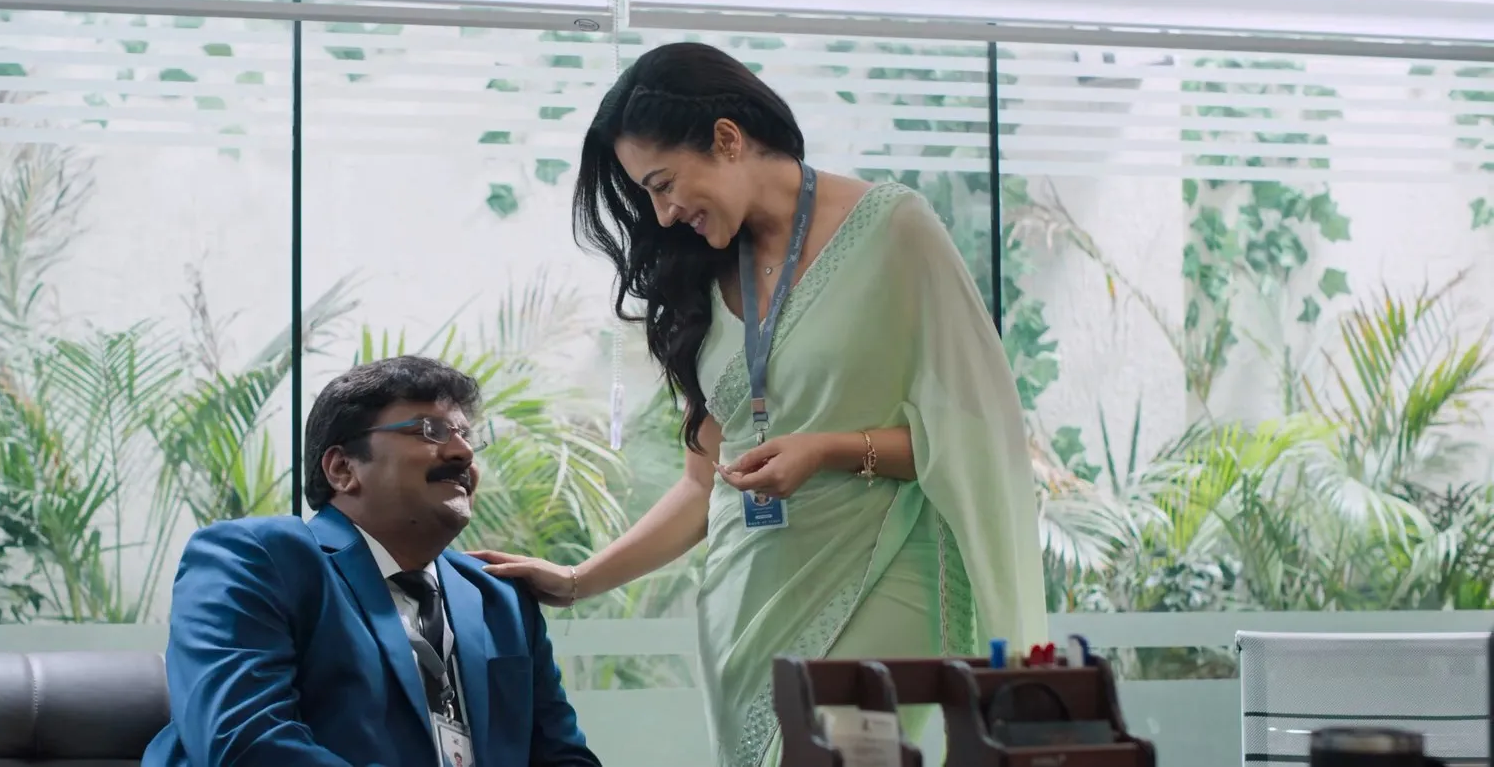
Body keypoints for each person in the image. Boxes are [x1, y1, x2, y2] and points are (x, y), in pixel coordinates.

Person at [469, 42, 1047, 767]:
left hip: (883, 562)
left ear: (727, 138)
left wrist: (829, 449)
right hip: (745, 597)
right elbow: (701, 485)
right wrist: (578, 580)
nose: (663, 214)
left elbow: (977, 436)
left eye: (663, 184)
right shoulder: (700, 274)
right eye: (648, 196)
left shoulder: (896, 230)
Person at [143, 355, 601, 767]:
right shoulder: (257, 559)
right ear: (343, 469)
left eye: (466, 435)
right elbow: (246, 743)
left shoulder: (499, 595)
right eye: (430, 431)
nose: (462, 452)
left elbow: (564, 756)